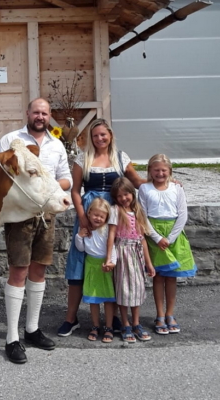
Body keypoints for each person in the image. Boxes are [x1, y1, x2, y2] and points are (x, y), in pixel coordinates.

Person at [0, 98, 72, 364]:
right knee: (19, 271)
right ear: (27, 113)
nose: (40, 116)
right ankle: (11, 338)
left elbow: (67, 179)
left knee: (39, 269)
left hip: (46, 214)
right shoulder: (10, 140)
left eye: (44, 113)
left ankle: (32, 330)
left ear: (50, 116)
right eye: (36, 112)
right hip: (20, 214)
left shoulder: (56, 144)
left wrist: (46, 182)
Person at [58, 118, 145, 337]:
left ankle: (113, 317)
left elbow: (136, 181)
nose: (99, 138)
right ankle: (71, 318)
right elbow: (75, 190)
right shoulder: (82, 158)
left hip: (116, 213)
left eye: (103, 134)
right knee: (80, 262)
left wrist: (164, 183)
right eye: (95, 135)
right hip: (90, 211)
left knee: (115, 261)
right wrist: (82, 216)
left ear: (110, 136)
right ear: (91, 137)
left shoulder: (120, 157)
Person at [138, 154, 197, 335]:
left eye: (164, 170)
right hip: (154, 235)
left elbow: (182, 214)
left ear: (170, 171)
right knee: (158, 276)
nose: (160, 173)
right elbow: (143, 216)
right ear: (150, 171)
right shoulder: (144, 189)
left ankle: (170, 313)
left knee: (171, 277)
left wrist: (170, 238)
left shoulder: (176, 189)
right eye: (156, 170)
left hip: (173, 234)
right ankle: (160, 315)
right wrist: (156, 238)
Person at [106, 177, 156, 343]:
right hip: (122, 253)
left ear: (132, 194)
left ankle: (136, 323)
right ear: (115, 198)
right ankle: (125, 323)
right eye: (119, 196)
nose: (123, 198)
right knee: (124, 289)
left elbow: (143, 239)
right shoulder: (115, 210)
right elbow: (112, 234)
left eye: (126, 194)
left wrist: (149, 264)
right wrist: (109, 257)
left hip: (137, 254)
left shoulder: (138, 211)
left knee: (137, 288)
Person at [74, 197, 117, 343]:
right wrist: (79, 237)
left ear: (106, 217)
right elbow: (81, 248)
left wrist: (112, 262)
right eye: (95, 215)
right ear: (89, 213)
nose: (98, 218)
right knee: (94, 299)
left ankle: (109, 327)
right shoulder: (86, 230)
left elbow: (113, 248)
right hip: (91, 266)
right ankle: (95, 325)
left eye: (102, 216)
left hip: (105, 265)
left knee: (108, 298)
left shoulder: (107, 231)